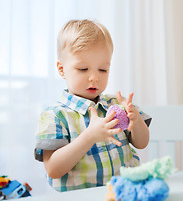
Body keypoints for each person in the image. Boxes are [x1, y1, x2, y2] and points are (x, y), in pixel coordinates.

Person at [34, 19, 151, 191]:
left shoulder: (116, 104)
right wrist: (89, 137)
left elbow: (142, 143)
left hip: (124, 192)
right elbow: (53, 169)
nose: (94, 77)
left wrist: (136, 121)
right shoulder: (54, 115)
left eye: (102, 69)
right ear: (61, 69)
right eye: (83, 69)